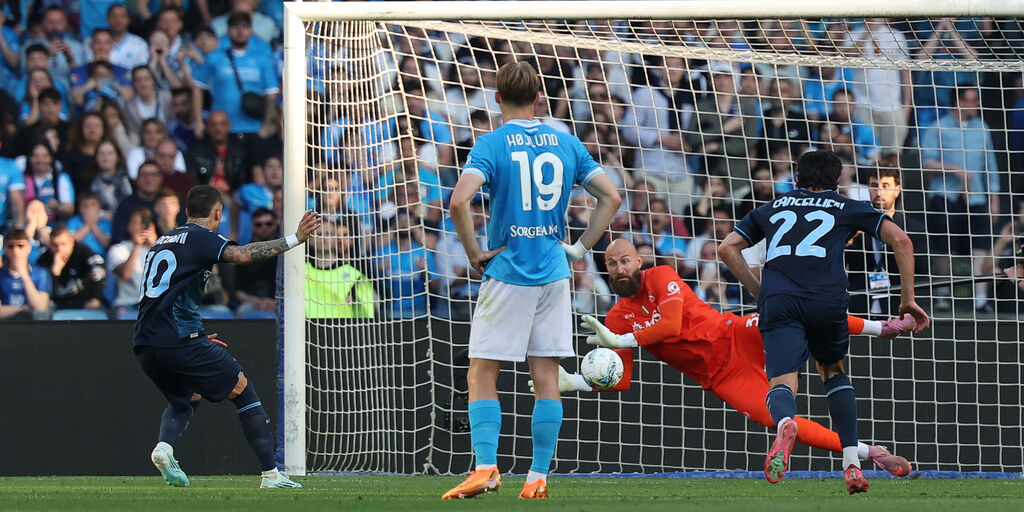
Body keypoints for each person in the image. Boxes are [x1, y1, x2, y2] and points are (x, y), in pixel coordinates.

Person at [547, 238, 915, 475]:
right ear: (606, 270)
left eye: (625, 260)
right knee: (781, 422)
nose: (620, 268)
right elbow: (621, 379)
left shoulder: (660, 276)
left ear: (639, 261)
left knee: (791, 312)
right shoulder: (615, 319)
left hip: (734, 334)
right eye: (612, 264)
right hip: (721, 377)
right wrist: (575, 382)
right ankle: (871, 453)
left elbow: (672, 324)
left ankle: (881, 327)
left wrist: (623, 339)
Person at [442, 61, 621, 500]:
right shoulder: (566, 143)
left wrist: (473, 253)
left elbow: (459, 202)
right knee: (546, 377)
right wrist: (579, 248)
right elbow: (611, 196)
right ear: (540, 97)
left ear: (497, 97)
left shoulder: (491, 143)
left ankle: (486, 467)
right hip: (555, 275)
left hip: (508, 272)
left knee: (483, 371)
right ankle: (537, 478)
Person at [718, 150, 930, 494]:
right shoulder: (848, 206)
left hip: (780, 301)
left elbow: (727, 248)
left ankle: (787, 424)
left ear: (797, 178)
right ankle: (851, 465)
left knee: (782, 382)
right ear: (837, 180)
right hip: (827, 302)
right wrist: (907, 299)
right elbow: (902, 240)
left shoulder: (772, 207)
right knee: (833, 372)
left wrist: (761, 293)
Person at [136, 185, 320, 489]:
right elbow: (243, 255)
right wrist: (295, 239)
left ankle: (164, 448)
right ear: (218, 212)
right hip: (179, 338)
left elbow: (166, 297)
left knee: (188, 398)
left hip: (145, 340)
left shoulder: (161, 242)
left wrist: (195, 336)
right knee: (243, 391)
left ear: (185, 212)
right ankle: (271, 475)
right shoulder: (203, 238)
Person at [846, 166, 930, 317]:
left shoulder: (914, 229)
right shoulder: (855, 226)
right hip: (859, 308)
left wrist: (897, 244)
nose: (879, 192)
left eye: (885, 186)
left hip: (898, 308)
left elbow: (924, 267)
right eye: (874, 186)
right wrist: (848, 237)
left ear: (897, 190)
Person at [36, 224, 106, 310]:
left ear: (71, 242)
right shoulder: (44, 260)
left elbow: (99, 269)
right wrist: (55, 271)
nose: (60, 249)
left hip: (84, 302)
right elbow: (46, 294)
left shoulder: (82, 251)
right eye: (55, 245)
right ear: (50, 245)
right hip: (58, 305)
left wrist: (96, 298)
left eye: (63, 244)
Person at [0, 228, 51, 319]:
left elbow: (41, 308)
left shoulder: (41, 273)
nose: (15, 250)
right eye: (11, 246)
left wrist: (24, 275)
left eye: (20, 246)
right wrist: (24, 309)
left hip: (33, 327)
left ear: (29, 248)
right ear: (5, 249)